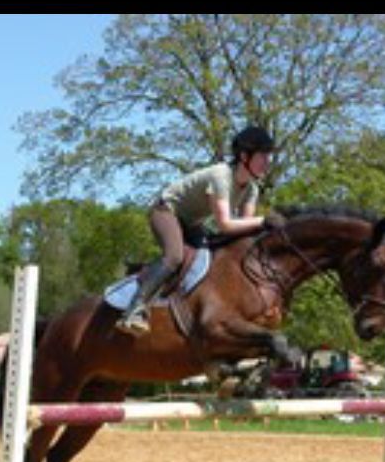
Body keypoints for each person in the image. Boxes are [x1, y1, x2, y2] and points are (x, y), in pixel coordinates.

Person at [116, 125, 285, 334]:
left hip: (191, 222)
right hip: (165, 211)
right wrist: (264, 220)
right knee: (174, 257)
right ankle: (134, 309)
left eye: (269, 157)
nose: (267, 163)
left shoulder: (252, 188)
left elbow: (243, 229)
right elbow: (225, 224)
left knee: (217, 256)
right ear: (244, 156)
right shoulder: (221, 175)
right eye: (263, 157)